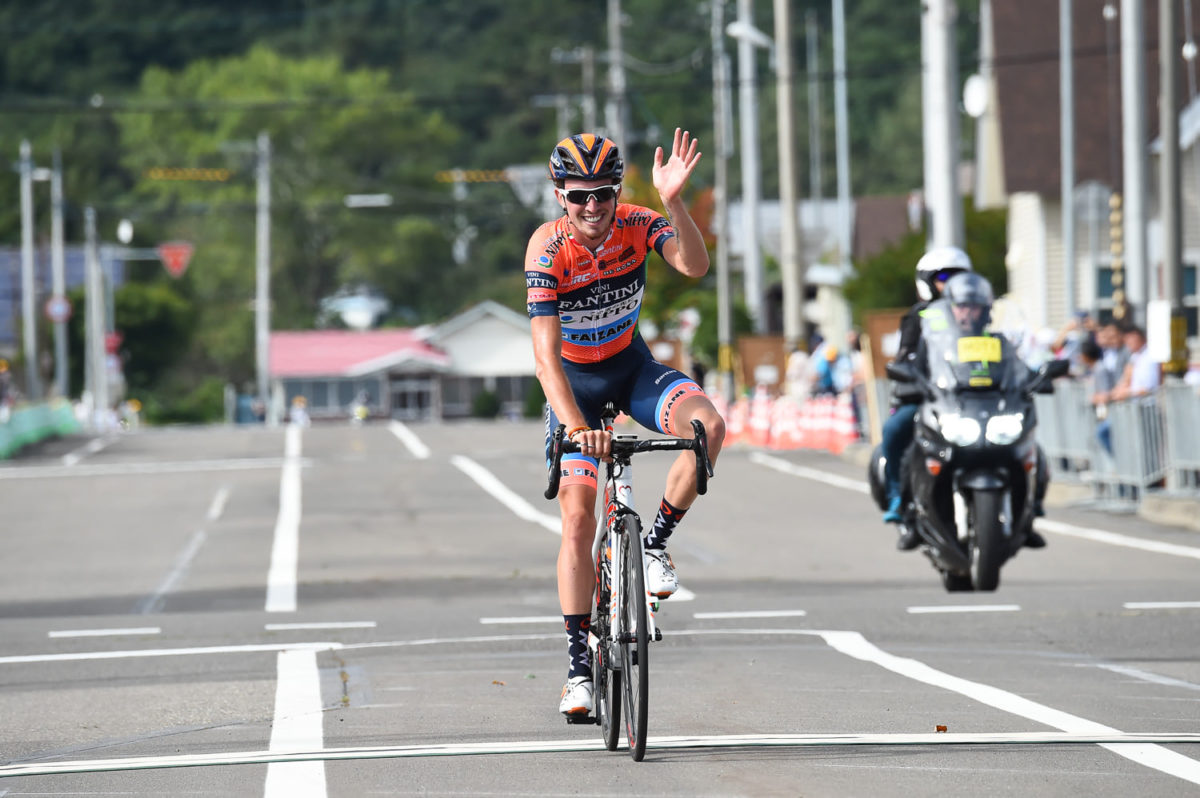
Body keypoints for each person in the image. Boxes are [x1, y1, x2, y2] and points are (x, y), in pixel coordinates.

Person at [526, 129, 726, 717]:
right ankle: (578, 667)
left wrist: (674, 202)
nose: (593, 207)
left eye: (604, 195)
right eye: (580, 195)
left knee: (707, 427)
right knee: (578, 517)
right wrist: (575, 425)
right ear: (560, 195)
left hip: (631, 369)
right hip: (574, 391)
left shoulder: (639, 223)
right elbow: (543, 359)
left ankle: (657, 543)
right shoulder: (547, 250)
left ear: (618, 193)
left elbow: (694, 265)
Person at [879, 246, 974, 545]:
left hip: (972, 399)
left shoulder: (979, 315)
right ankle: (900, 501)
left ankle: (1028, 504)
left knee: (1024, 435)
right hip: (927, 398)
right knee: (894, 430)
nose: (951, 283)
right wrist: (912, 378)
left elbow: (1002, 351)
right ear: (928, 282)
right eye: (944, 276)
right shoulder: (918, 316)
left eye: (959, 276)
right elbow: (904, 357)